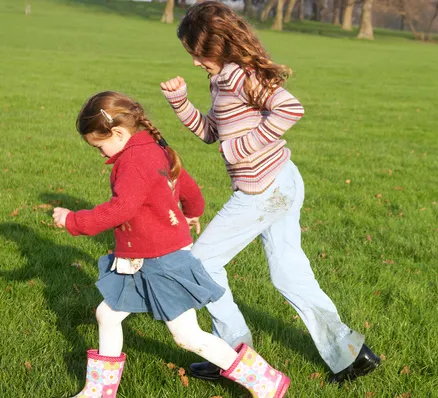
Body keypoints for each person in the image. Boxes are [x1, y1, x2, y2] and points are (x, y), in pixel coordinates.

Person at [160, 1, 379, 383]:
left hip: (263, 189)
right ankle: (351, 354)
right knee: (289, 274)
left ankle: (230, 353)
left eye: (197, 53)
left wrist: (244, 148)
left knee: (201, 264)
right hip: (281, 180)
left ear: (217, 45)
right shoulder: (221, 78)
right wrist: (180, 103)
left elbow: (289, 109)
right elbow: (213, 133)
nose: (195, 62)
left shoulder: (240, 75)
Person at [52, 91, 290, 397]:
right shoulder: (156, 149)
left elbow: (120, 209)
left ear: (119, 133)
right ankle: (98, 391)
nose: (100, 153)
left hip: (160, 261)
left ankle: (268, 383)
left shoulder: (133, 161)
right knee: (107, 314)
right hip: (141, 258)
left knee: (188, 336)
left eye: (100, 146)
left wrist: (74, 220)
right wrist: (191, 213)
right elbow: (189, 189)